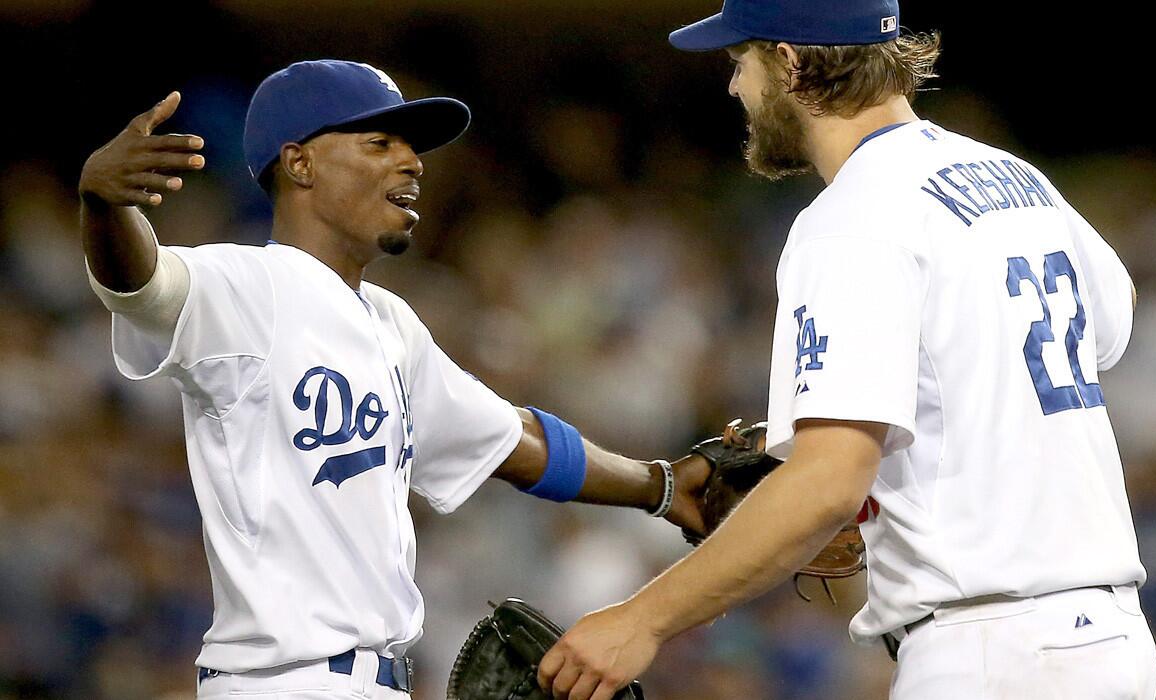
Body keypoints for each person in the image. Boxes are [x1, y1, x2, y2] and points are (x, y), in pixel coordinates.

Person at [538, 1, 1156, 698]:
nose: (735, 87)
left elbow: (830, 484)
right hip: (1109, 642)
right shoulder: (1014, 177)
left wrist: (642, 620)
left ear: (792, 62)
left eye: (742, 61)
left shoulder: (851, 216)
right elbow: (1116, 309)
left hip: (993, 650)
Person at [77, 59, 708, 700]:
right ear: (300, 164)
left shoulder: (390, 322)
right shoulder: (246, 285)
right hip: (281, 682)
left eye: (411, 147)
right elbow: (143, 286)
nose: (412, 162)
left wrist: (660, 487)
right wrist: (103, 205)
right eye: (380, 143)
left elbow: (512, 441)